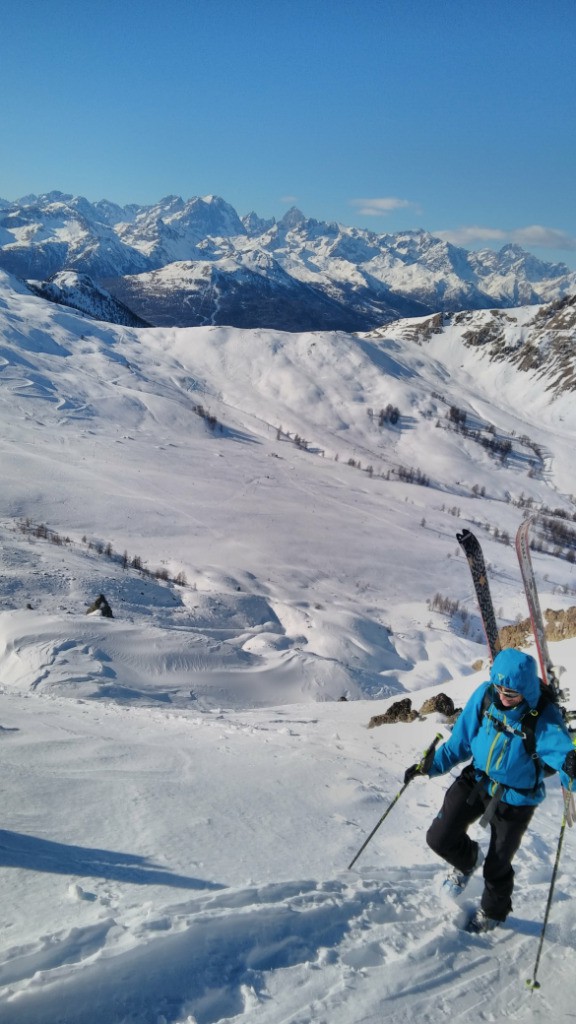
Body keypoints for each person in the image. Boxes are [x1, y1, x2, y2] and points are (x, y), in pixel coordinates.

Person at [404, 647, 576, 933]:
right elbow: (459, 743)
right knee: (439, 837)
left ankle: (493, 912)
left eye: (510, 693)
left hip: (517, 798)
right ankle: (467, 860)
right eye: (499, 687)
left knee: (498, 864)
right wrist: (428, 766)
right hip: (477, 780)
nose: (502, 696)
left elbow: (562, 754)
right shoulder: (486, 697)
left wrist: (571, 767)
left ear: (526, 690)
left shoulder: (542, 717)